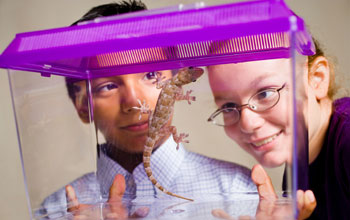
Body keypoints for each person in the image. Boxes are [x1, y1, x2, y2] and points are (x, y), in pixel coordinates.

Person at [37, 1, 260, 218]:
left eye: (151, 75)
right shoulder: (57, 209)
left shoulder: (239, 189)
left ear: (175, 76)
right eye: (108, 86)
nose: (133, 103)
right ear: (83, 106)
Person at [207, 38, 350, 219]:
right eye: (228, 106)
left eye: (265, 93)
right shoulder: (296, 166)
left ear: (317, 79)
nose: (247, 123)